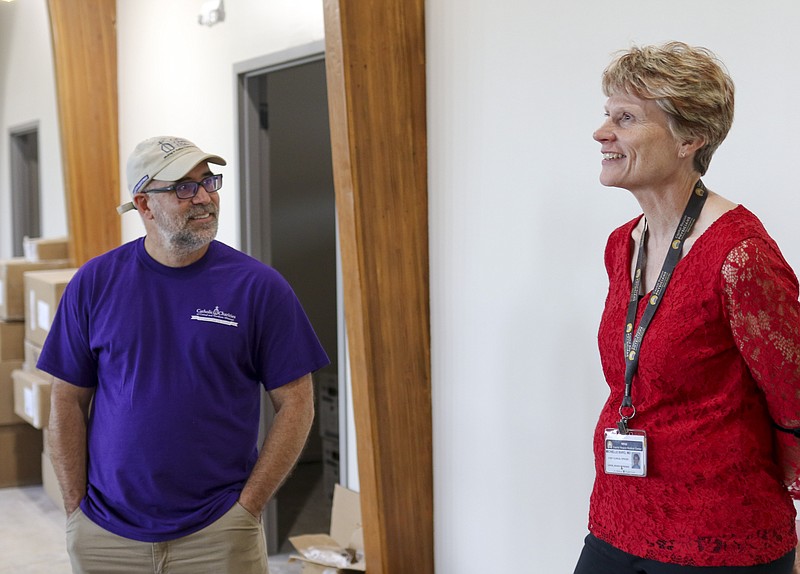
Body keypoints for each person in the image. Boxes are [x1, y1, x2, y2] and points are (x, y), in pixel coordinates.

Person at [40, 136, 330, 574]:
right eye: (183, 187)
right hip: (105, 535)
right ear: (144, 203)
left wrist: (248, 507)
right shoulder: (95, 283)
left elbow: (297, 402)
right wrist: (75, 511)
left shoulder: (258, 288)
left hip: (217, 536)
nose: (205, 198)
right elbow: (66, 399)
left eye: (209, 182)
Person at [574, 43, 800, 574]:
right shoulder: (622, 244)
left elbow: (795, 396)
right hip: (618, 516)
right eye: (607, 114)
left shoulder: (739, 253)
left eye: (625, 118)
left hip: (719, 536)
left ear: (689, 139)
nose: (601, 132)